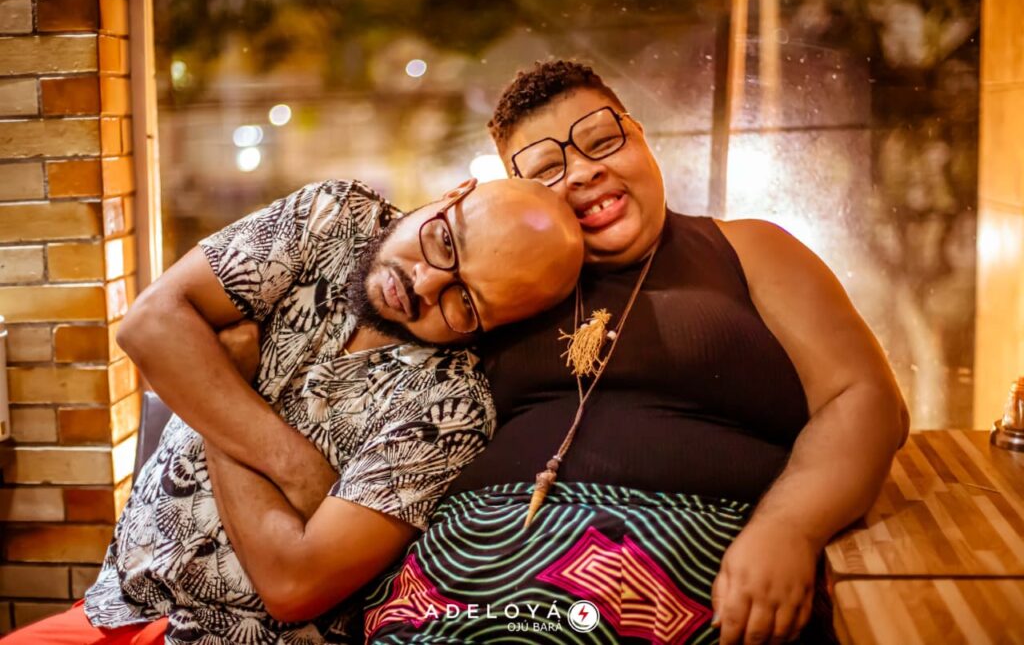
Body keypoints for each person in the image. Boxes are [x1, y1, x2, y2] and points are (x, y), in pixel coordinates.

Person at [363, 61, 910, 644]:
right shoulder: (482, 294)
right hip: (467, 570)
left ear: (641, 137)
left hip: (692, 570)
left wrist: (789, 529)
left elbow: (865, 399)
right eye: (546, 170)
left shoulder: (750, 249)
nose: (583, 171)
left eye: (602, 141)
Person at [1, 177, 584, 645]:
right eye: (445, 244)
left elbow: (293, 584)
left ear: (492, 329)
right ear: (453, 194)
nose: (424, 284)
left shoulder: (451, 411)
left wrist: (224, 384)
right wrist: (296, 467)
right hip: (117, 604)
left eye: (465, 303)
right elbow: (150, 325)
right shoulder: (332, 216)